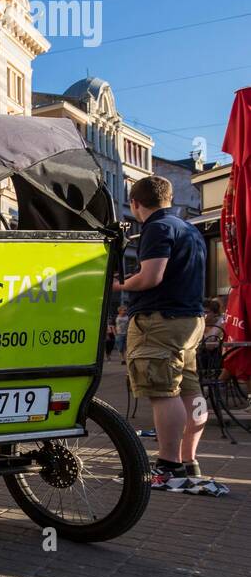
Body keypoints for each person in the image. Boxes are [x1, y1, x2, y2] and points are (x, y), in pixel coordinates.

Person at [113, 176, 208, 485]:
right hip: (190, 319)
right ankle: (188, 460)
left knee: (163, 392)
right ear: (168, 198)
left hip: (161, 319)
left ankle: (167, 465)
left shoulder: (157, 227)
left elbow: (151, 277)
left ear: (135, 204)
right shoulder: (190, 229)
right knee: (190, 391)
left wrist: (120, 284)